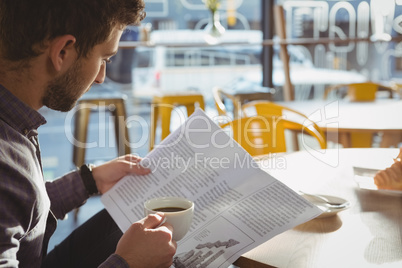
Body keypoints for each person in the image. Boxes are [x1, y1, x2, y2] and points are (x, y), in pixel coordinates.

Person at [0, 0, 177, 267]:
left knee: (132, 222)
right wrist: (128, 263)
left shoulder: (14, 121)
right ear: (62, 51)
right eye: (104, 58)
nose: (100, 77)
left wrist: (89, 181)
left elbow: (21, 209)